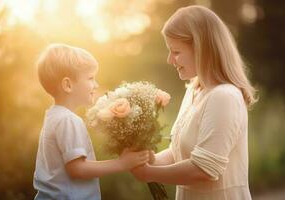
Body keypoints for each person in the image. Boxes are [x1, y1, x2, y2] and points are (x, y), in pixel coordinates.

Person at [131, 5, 258, 200]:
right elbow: (177, 152)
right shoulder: (194, 90)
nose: (169, 60)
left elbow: (204, 170)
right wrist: (150, 160)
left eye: (175, 51)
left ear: (202, 48)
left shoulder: (225, 96)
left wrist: (149, 174)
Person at [33, 43, 149, 200]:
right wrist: (122, 163)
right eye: (90, 78)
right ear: (68, 85)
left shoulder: (54, 115)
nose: (96, 84)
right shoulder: (68, 120)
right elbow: (77, 169)